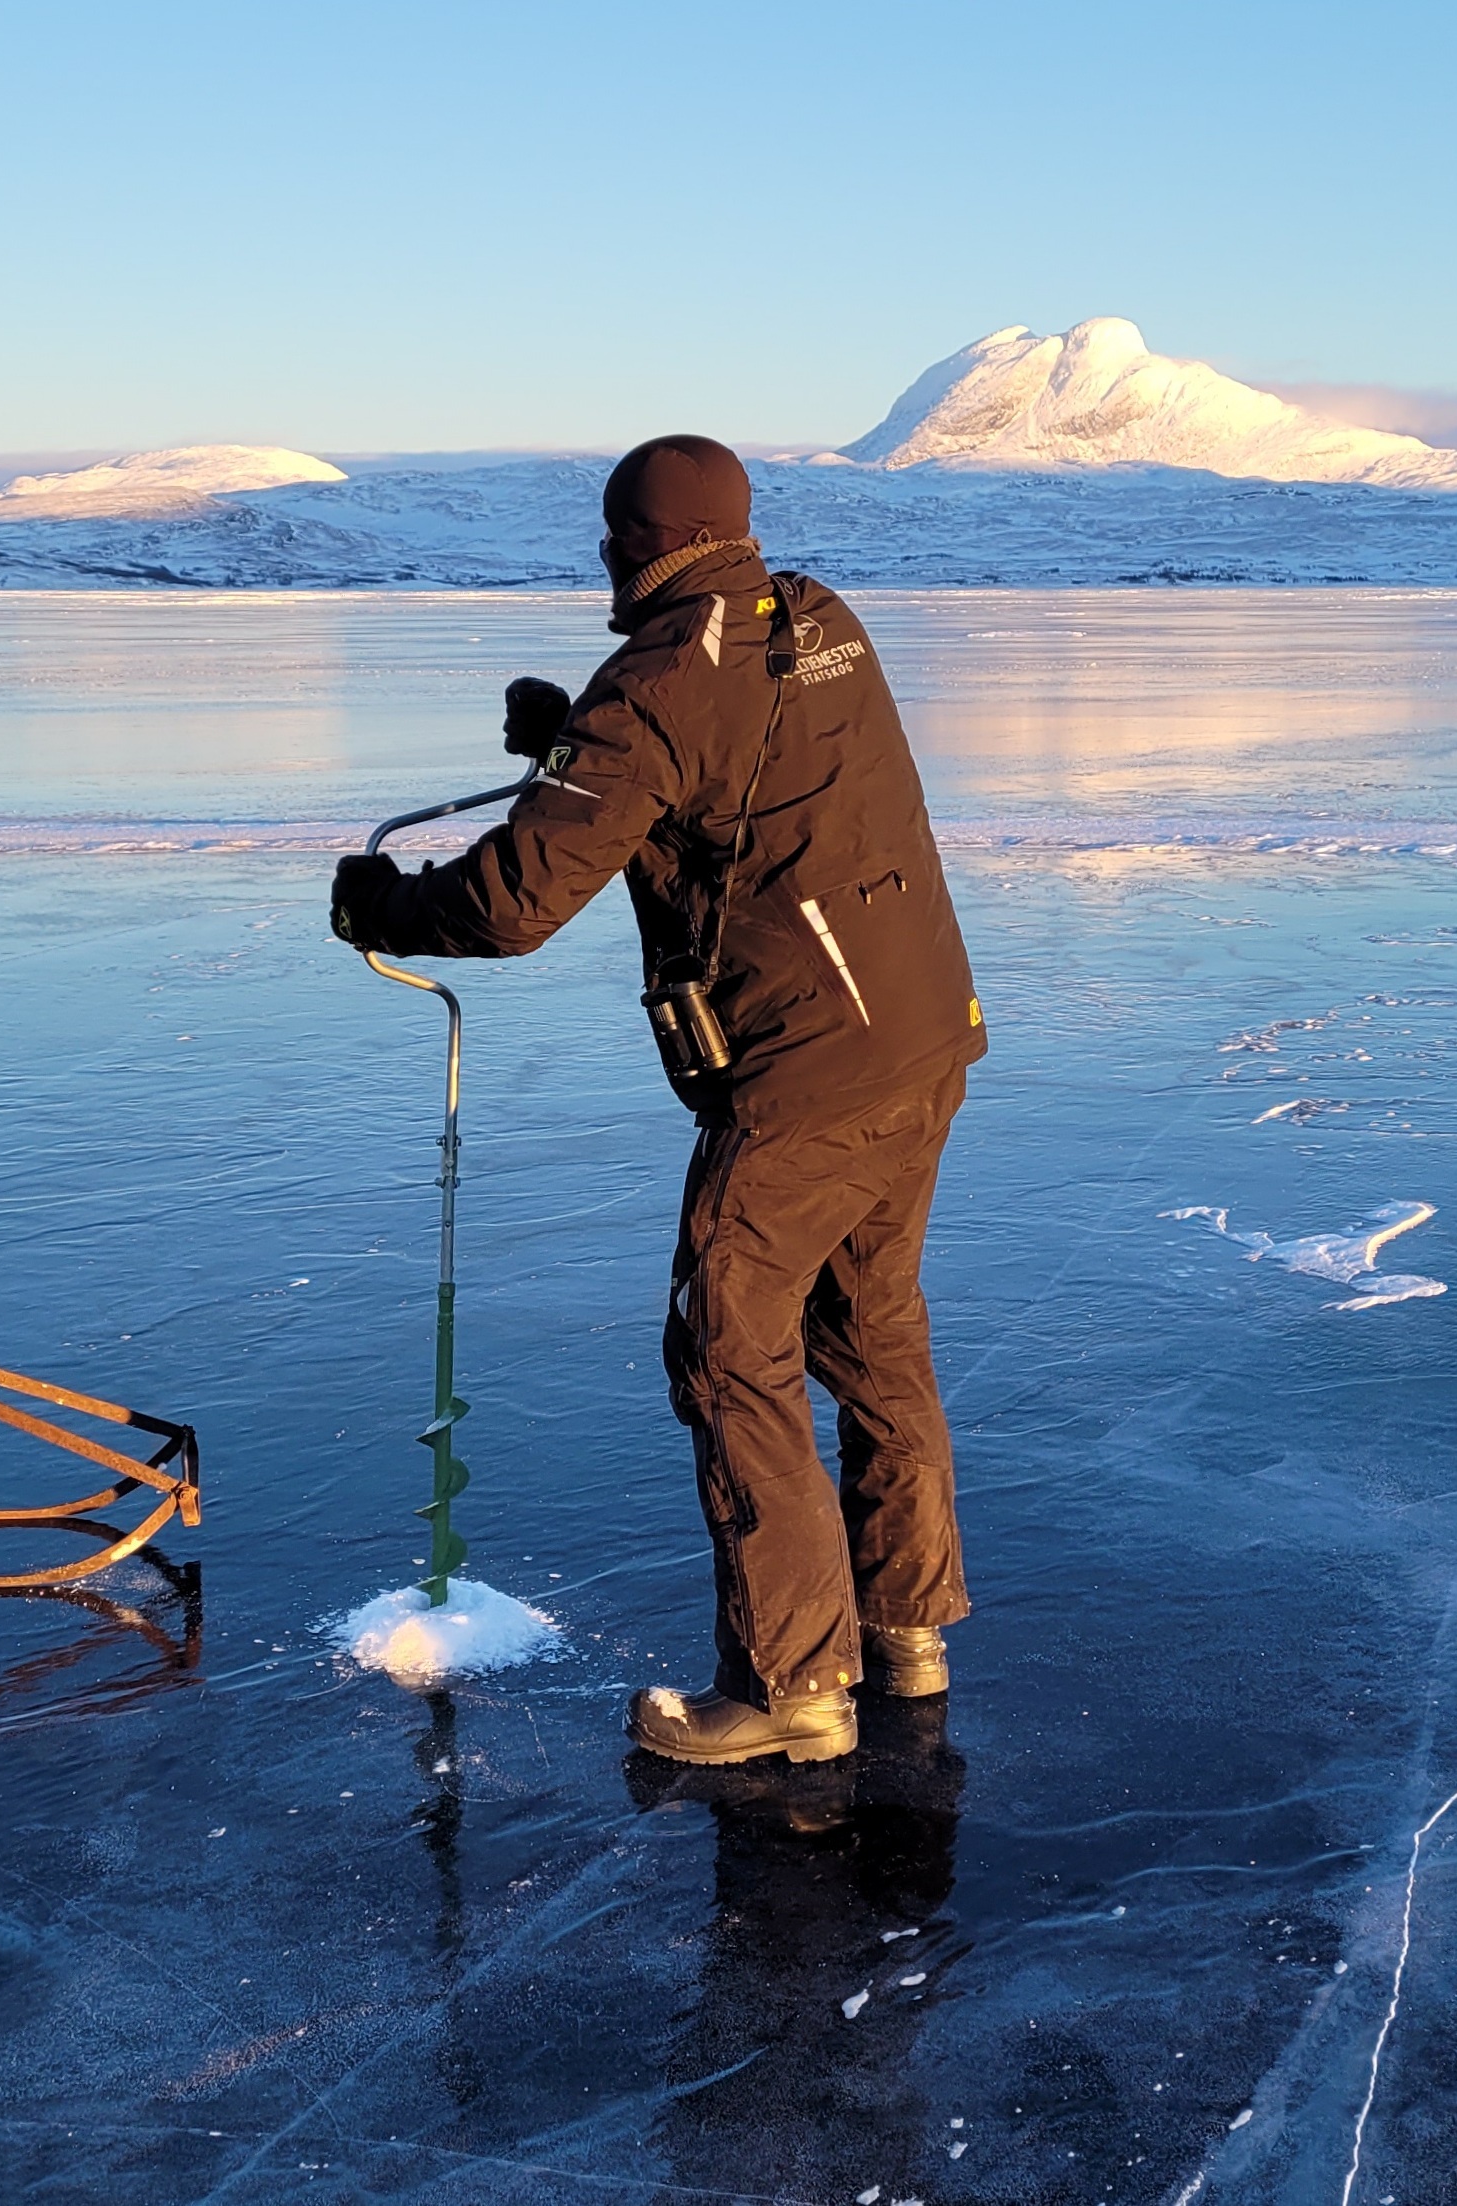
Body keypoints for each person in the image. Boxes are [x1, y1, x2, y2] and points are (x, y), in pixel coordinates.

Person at [331, 435, 984, 1766]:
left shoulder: (656, 685)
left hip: (810, 1073)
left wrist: (382, 903)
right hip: (922, 1038)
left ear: (635, 540)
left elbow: (518, 901)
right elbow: (726, 750)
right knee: (873, 1327)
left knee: (727, 1340)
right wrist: (577, 736)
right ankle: (905, 1628)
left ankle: (795, 1686)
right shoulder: (819, 619)